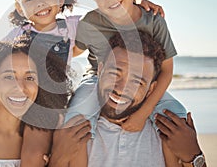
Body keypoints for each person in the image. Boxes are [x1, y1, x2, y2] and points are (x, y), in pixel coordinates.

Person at [0, 0, 166, 166]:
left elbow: (107, 15)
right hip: (21, 92)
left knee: (34, 153)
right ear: (20, 8)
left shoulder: (73, 28)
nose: (40, 3)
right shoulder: (18, 34)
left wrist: (135, 2)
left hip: (49, 104)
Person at [65, 0, 187, 137]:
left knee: (177, 116)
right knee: (74, 119)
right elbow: (73, 51)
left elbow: (166, 71)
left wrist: (143, 112)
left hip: (143, 83)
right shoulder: (90, 23)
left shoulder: (153, 21)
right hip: (97, 80)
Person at [50, 30, 206, 167]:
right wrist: (57, 160)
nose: (121, 88)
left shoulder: (170, 132)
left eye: (137, 82)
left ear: (151, 89)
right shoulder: (69, 133)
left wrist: (193, 156)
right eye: (114, 74)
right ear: (100, 70)